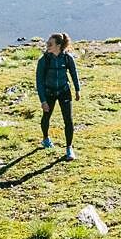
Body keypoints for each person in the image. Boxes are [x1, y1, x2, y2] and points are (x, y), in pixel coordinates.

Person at [35, 31, 80, 160]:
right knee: (46, 117)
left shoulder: (67, 58)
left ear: (58, 45)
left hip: (64, 91)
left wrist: (77, 89)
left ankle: (69, 148)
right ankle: (45, 138)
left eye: (50, 44)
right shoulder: (44, 60)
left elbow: (73, 72)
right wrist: (43, 101)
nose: (47, 46)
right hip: (49, 93)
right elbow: (39, 81)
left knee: (68, 120)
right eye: (47, 43)